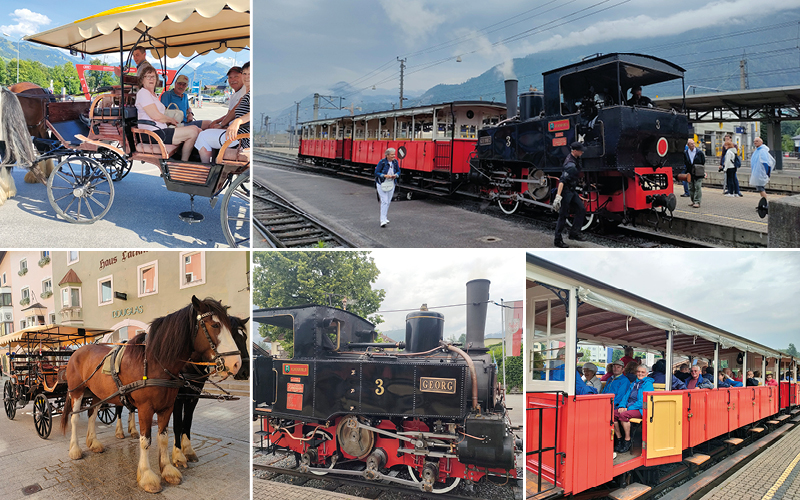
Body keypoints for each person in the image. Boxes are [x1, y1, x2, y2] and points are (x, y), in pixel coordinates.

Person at [134, 66, 200, 162]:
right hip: (152, 133)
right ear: (142, 80)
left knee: (196, 129)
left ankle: (186, 160)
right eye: (147, 76)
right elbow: (156, 116)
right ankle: (183, 163)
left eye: (153, 76)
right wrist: (171, 120)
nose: (151, 79)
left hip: (160, 130)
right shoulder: (143, 93)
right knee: (193, 132)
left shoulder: (153, 95)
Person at [195, 62, 250, 163]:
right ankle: (213, 167)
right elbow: (231, 113)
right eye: (245, 74)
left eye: (250, 74)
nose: (246, 77)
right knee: (207, 131)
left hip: (241, 138)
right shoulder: (246, 94)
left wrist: (237, 121)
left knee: (203, 136)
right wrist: (220, 124)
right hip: (237, 134)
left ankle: (206, 169)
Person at [552, 142, 586, 248]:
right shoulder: (570, 165)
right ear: (575, 151)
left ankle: (574, 233)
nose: (582, 152)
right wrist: (558, 197)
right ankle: (557, 240)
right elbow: (562, 181)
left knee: (581, 209)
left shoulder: (574, 157)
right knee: (563, 215)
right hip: (566, 191)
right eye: (580, 150)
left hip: (572, 190)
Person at [614, 365, 653, 453]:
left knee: (624, 415)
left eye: (642, 372)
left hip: (641, 409)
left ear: (647, 374)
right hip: (629, 407)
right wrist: (622, 406)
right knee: (613, 414)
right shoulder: (634, 383)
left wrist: (628, 408)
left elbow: (643, 401)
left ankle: (627, 440)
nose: (640, 373)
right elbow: (626, 396)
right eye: (638, 371)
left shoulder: (648, 384)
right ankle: (619, 439)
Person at [375, 147, 400, 227]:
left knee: (388, 201)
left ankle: (385, 217)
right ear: (387, 155)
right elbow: (376, 172)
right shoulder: (382, 162)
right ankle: (382, 220)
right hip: (382, 183)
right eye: (392, 155)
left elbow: (398, 171)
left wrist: (396, 175)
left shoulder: (395, 162)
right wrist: (385, 175)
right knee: (384, 201)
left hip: (391, 183)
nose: (394, 156)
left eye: (394, 154)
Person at [749, 137, 774, 210]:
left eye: (757, 141)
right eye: (754, 141)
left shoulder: (762, 151)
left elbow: (765, 162)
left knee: (760, 188)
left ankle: (766, 203)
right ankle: (764, 203)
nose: (755, 142)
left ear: (761, 142)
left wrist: (767, 173)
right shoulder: (758, 150)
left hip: (760, 173)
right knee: (760, 188)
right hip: (757, 173)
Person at [684, 139, 706, 208]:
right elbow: (685, 162)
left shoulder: (699, 152)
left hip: (698, 172)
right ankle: (693, 201)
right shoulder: (686, 153)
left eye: (693, 143)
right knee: (691, 187)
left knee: (697, 186)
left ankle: (697, 201)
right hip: (690, 172)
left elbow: (703, 161)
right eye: (691, 144)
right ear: (688, 145)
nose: (693, 145)